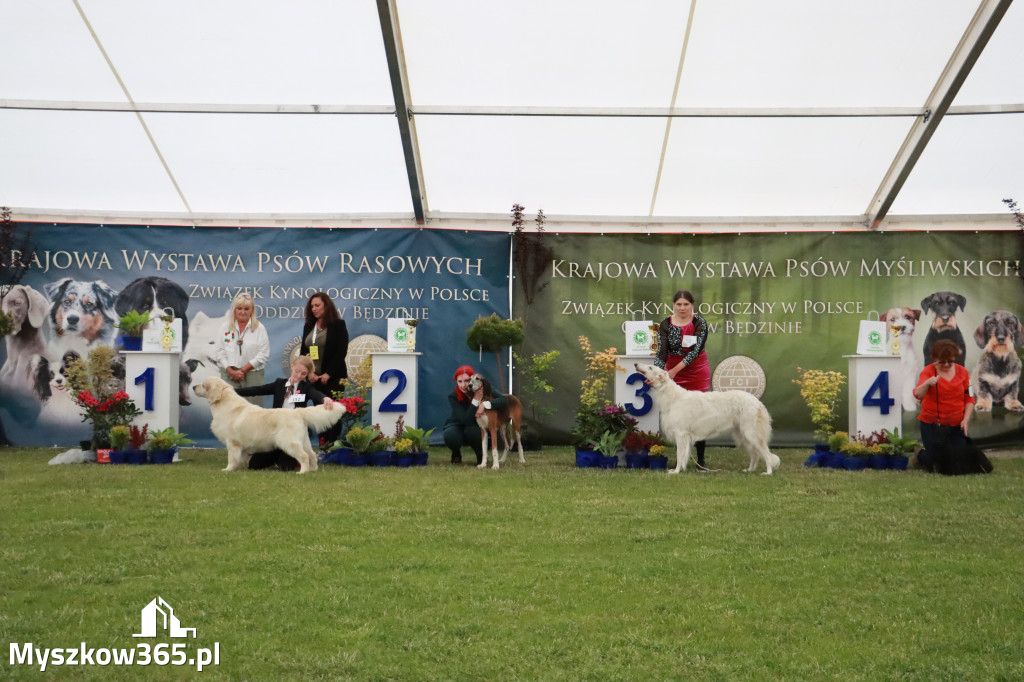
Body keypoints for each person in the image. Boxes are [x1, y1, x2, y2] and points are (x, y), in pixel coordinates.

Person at [234, 355, 337, 470]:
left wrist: (325, 399)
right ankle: (277, 455)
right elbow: (257, 390)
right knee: (254, 465)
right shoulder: (279, 384)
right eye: (297, 371)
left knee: (286, 467)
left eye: (303, 374)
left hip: (293, 432)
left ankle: (289, 458)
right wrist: (232, 391)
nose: (299, 376)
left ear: (307, 374)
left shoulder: (306, 387)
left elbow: (315, 394)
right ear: (292, 366)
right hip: (275, 433)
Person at [655, 289, 712, 468]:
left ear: (692, 305)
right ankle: (681, 459)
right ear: (673, 305)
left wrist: (673, 371)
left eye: (686, 304)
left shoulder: (699, 323)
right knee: (675, 416)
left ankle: (700, 460)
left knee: (699, 415)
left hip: (696, 372)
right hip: (672, 373)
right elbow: (661, 352)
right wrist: (657, 375)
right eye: (678, 304)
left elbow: (695, 352)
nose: (682, 308)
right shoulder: (665, 324)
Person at [913, 338, 975, 471]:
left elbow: (969, 398)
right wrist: (927, 383)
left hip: (956, 425)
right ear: (935, 358)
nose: (947, 365)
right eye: (942, 362)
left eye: (951, 361)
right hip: (932, 425)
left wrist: (965, 420)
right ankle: (920, 455)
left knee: (960, 460)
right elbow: (918, 394)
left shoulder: (963, 373)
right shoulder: (928, 371)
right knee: (937, 463)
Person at [301, 292, 348, 446]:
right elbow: (304, 352)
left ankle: (333, 445)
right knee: (319, 412)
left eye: (317, 305)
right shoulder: (309, 326)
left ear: (326, 306)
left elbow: (341, 352)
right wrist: (310, 372)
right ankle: (323, 445)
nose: (314, 309)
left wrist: (329, 373)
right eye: (312, 306)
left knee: (333, 411)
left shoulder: (338, 325)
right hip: (314, 378)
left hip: (334, 377)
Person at [443, 365, 507, 465]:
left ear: (473, 379)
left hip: (474, 424)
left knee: (474, 433)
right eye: (460, 381)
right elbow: (465, 421)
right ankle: (456, 453)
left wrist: (485, 404)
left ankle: (480, 455)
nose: (463, 385)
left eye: (467, 381)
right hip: (458, 423)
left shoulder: (483, 388)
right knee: (450, 435)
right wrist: (476, 399)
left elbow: (504, 399)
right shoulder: (453, 395)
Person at [215, 292, 271, 406]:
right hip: (228, 374)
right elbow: (219, 351)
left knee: (254, 411)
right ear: (234, 310)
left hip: (253, 374)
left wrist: (243, 370)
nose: (242, 312)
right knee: (229, 409)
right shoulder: (225, 327)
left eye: (246, 309)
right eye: (239, 308)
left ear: (252, 310)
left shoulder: (259, 328)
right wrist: (231, 371)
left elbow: (263, 354)